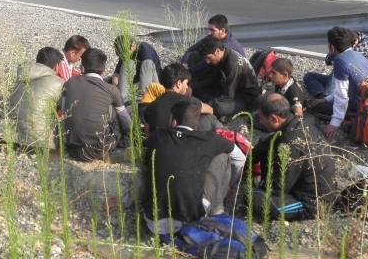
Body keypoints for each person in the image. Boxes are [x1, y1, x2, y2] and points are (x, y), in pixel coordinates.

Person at [104, 98, 246, 236]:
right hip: (194, 220)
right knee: (223, 157)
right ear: (197, 123)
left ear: (174, 121)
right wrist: (229, 184)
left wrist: (126, 202)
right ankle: (217, 212)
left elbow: (145, 173)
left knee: (153, 161)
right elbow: (240, 158)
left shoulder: (157, 136)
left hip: (155, 224)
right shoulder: (209, 139)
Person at [251, 94, 337, 221]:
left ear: (274, 119)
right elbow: (263, 146)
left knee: (254, 199)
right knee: (267, 143)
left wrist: (264, 187)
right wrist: (245, 162)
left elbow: (277, 188)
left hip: (312, 203)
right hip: (313, 184)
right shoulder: (300, 121)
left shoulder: (290, 144)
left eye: (262, 118)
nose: (261, 121)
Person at [62, 48, 132, 162]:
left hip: (72, 148)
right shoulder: (111, 89)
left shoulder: (70, 83)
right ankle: (114, 152)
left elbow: (64, 111)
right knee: (115, 111)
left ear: (82, 68)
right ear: (104, 71)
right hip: (99, 148)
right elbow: (126, 122)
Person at [307, 27, 368, 139]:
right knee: (324, 101)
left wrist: (334, 123)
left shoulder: (340, 61)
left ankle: (348, 117)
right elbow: (347, 89)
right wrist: (326, 99)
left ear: (332, 47)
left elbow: (342, 96)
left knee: (313, 108)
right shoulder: (357, 54)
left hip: (359, 108)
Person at [7, 47, 65, 149]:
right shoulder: (58, 83)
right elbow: (66, 111)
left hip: (10, 136)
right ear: (57, 66)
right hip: (39, 142)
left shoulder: (21, 76)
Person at [193, 36, 260, 119]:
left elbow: (228, 96)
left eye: (208, 57)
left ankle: (217, 112)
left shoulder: (233, 64)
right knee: (198, 91)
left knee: (219, 108)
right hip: (229, 90)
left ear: (217, 51)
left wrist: (208, 104)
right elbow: (213, 80)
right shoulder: (220, 58)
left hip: (244, 98)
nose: (207, 61)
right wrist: (191, 86)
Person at [303, 29, 368, 99]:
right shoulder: (348, 47)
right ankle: (321, 95)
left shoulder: (367, 44)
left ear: (355, 41)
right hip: (348, 77)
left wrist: (336, 50)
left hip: (361, 82)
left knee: (339, 65)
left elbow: (336, 58)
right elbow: (328, 61)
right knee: (309, 76)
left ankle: (326, 96)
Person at [142, 63, 218, 134]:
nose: (187, 87)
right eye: (186, 83)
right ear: (179, 83)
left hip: (159, 144)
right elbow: (210, 110)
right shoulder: (188, 101)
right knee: (209, 118)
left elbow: (148, 131)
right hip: (183, 142)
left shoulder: (151, 106)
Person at [183, 14, 246, 83]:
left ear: (222, 31)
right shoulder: (214, 38)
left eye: (212, 30)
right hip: (218, 74)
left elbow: (205, 64)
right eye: (209, 29)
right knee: (195, 55)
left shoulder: (225, 47)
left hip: (231, 81)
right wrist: (184, 64)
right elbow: (191, 49)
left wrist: (186, 71)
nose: (209, 33)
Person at [111, 35, 162, 103]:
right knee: (127, 63)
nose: (125, 56)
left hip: (151, 79)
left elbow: (147, 75)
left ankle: (141, 99)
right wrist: (115, 86)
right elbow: (117, 72)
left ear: (133, 45)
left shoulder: (145, 50)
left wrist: (134, 86)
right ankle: (123, 98)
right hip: (137, 78)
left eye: (125, 53)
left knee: (146, 64)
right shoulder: (125, 52)